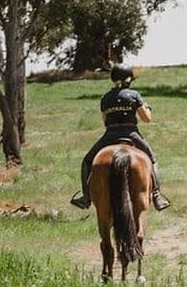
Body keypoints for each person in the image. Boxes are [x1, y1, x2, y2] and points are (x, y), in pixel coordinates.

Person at [70, 64, 171, 211]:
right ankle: (157, 196)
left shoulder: (105, 98)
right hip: (131, 133)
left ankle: (86, 198)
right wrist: (147, 108)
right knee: (152, 160)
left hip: (110, 134)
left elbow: (105, 121)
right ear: (129, 79)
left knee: (87, 161)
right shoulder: (134, 95)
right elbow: (147, 119)